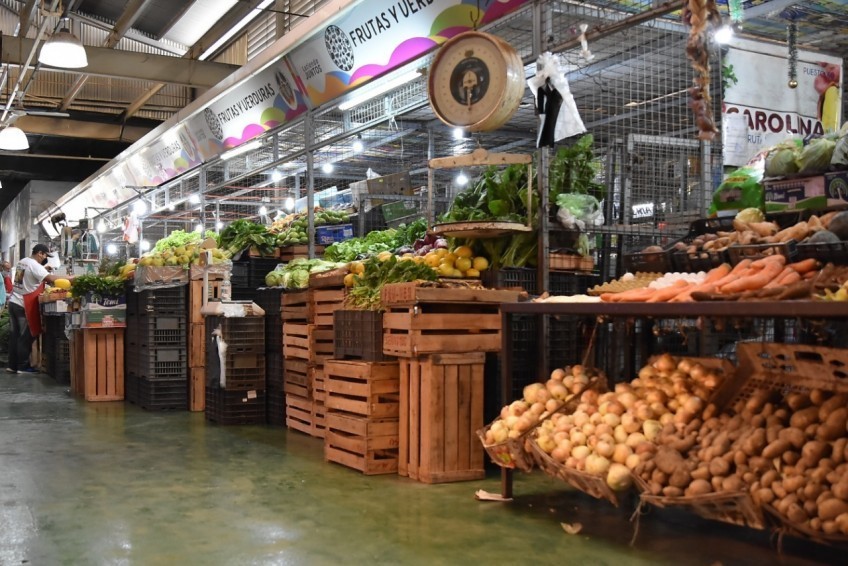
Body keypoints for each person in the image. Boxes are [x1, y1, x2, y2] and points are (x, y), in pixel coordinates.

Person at [6, 245, 68, 374]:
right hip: (23, 304)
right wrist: (71, 278)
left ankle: (12, 366)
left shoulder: (23, 261)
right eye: (45, 255)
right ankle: (22, 367)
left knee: (15, 336)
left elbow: (28, 277)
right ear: (40, 253)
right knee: (25, 336)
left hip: (13, 302)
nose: (45, 258)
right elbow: (50, 279)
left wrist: (44, 269)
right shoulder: (34, 265)